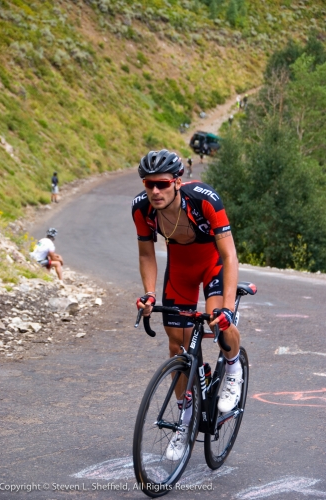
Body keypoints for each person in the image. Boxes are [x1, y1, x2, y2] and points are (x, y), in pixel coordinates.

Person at [132, 149, 241, 460]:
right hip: (180, 271)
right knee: (176, 346)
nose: (155, 191)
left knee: (220, 324)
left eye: (162, 184)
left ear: (177, 182)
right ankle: (186, 419)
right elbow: (145, 254)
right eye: (148, 184)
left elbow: (229, 255)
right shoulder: (142, 209)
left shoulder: (205, 199)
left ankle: (233, 368)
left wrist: (227, 307)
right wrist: (149, 293)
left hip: (213, 265)